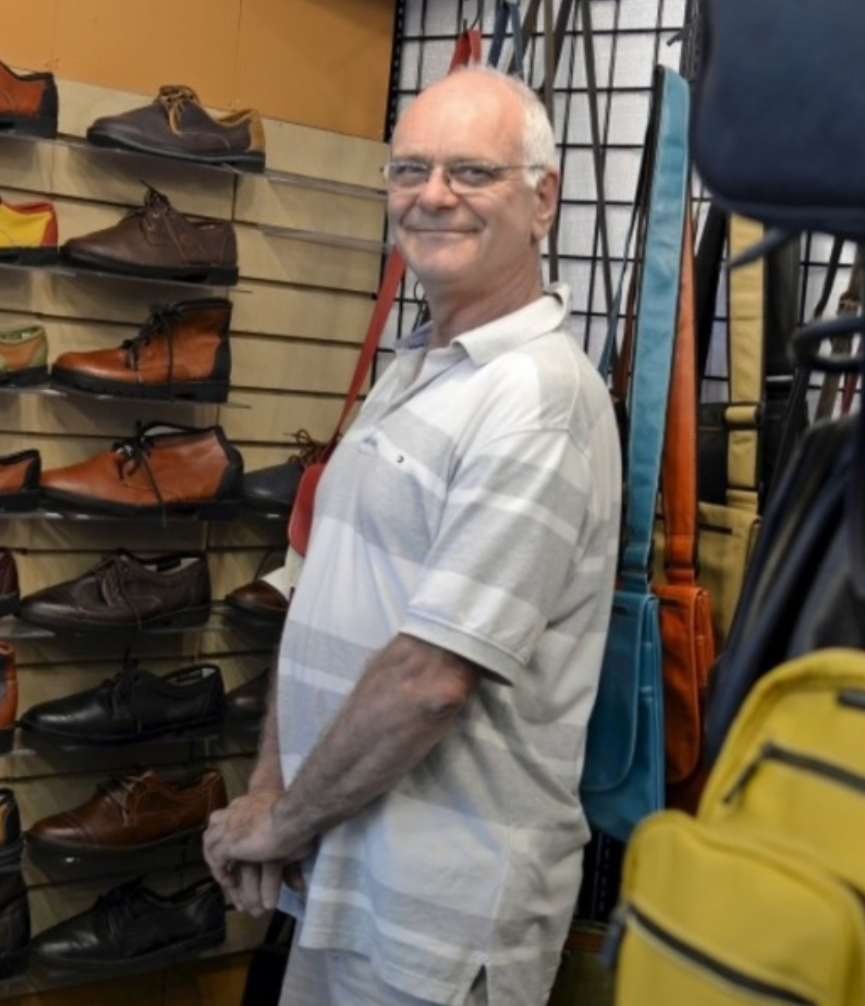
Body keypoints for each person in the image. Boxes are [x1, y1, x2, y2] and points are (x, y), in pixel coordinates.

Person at [203, 65, 621, 1006]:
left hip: (440, 921)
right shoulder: (416, 368)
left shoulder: (538, 398)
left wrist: (281, 822)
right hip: (339, 879)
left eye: (472, 172)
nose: (432, 195)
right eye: (409, 169)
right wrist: (270, 791)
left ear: (543, 200)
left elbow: (433, 677)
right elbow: (327, 600)